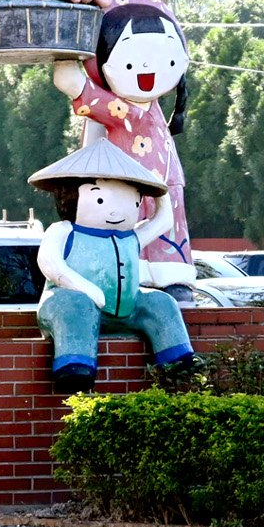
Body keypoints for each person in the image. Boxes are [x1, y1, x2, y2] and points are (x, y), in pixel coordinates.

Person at [52, 0, 195, 288]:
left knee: (171, 226)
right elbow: (72, 83)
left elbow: (73, 84)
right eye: (132, 63)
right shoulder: (124, 112)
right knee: (131, 226)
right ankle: (136, 275)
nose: (147, 70)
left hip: (167, 178)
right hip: (129, 180)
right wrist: (67, 54)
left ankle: (174, 273)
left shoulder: (150, 107)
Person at [29, 138, 194, 394]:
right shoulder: (64, 230)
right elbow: (50, 264)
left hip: (125, 309)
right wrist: (84, 287)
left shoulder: (131, 237)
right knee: (76, 305)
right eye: (101, 201)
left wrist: (161, 188)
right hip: (71, 304)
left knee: (160, 303)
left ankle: (177, 361)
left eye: (132, 202)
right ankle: (74, 365)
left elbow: (163, 221)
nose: (117, 211)